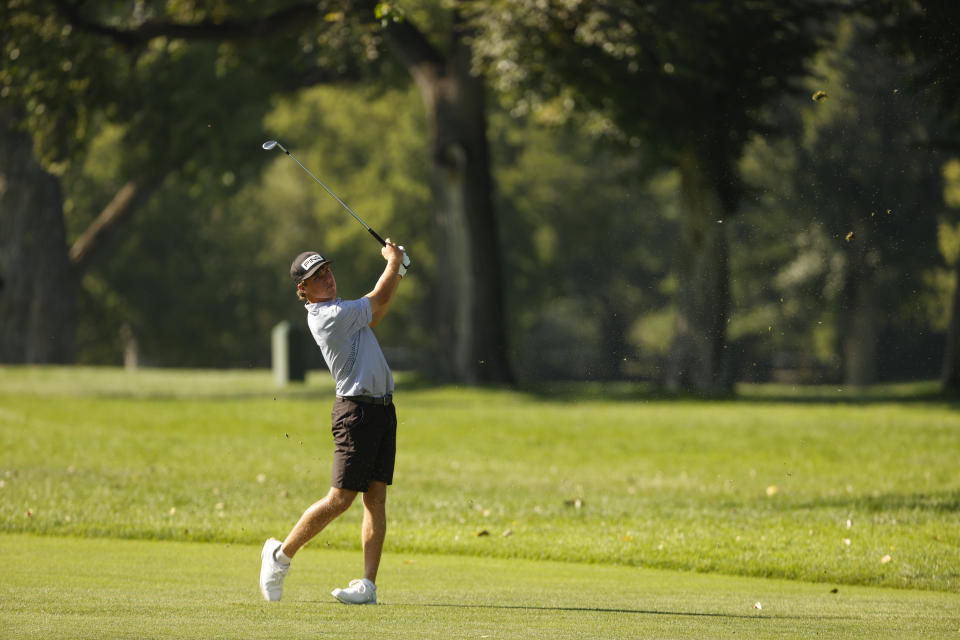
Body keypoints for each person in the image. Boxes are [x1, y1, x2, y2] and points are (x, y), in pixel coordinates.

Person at [259, 239, 406, 605]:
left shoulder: (343, 310)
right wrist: (394, 262)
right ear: (303, 290)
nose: (327, 279)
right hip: (355, 413)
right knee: (341, 498)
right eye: (316, 277)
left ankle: (367, 586)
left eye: (327, 271)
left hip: (382, 410)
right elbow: (378, 298)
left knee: (376, 499)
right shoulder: (327, 317)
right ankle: (280, 556)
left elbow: (378, 308)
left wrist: (397, 269)